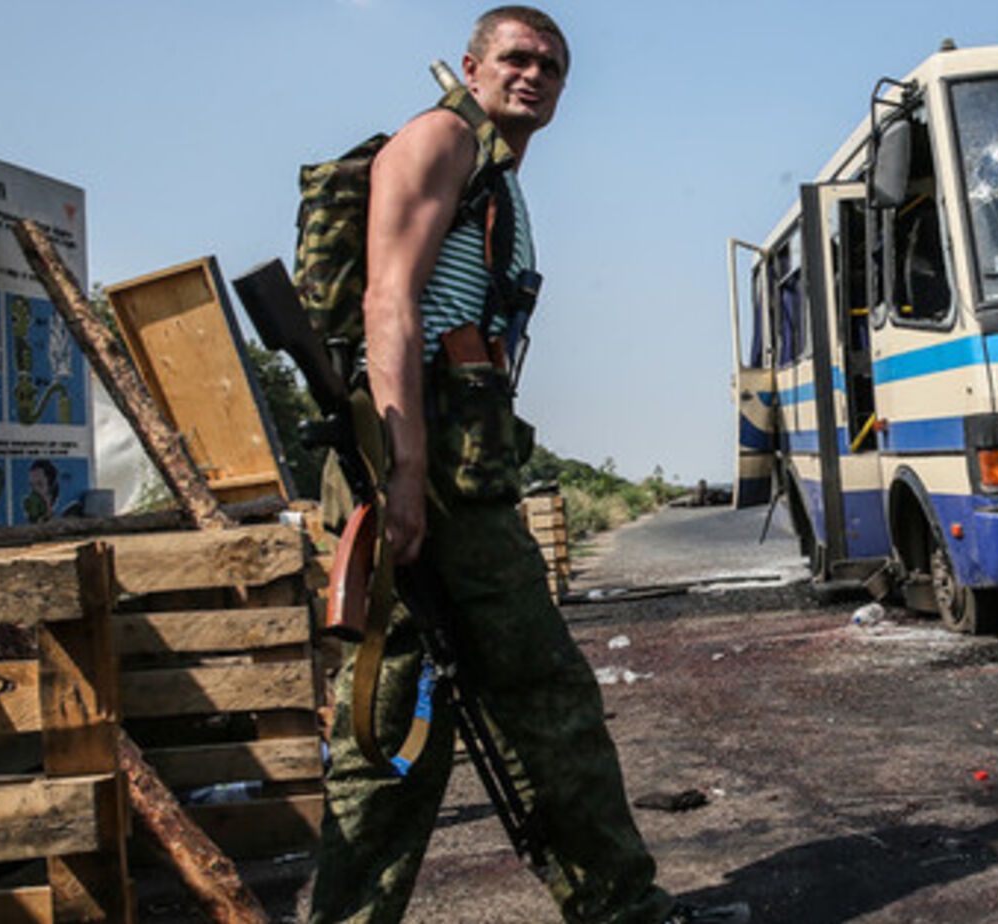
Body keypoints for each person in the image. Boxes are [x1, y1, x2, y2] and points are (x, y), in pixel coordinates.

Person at [308, 9, 740, 923]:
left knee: (441, 712)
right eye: (515, 57)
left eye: (552, 64)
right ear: (472, 67)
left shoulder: (495, 175)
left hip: (453, 473)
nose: (534, 74)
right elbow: (390, 303)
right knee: (497, 705)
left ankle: (617, 905)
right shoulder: (442, 140)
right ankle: (622, 909)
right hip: (429, 473)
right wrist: (405, 475)